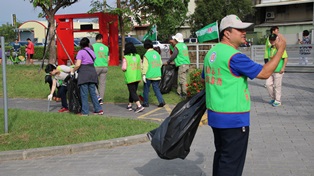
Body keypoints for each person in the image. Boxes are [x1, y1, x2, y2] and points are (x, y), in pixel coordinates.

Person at [202, 14, 286, 176]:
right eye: (239, 29)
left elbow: (206, 79)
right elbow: (264, 72)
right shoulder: (235, 57)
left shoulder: (211, 54)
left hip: (216, 116)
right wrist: (280, 50)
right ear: (227, 33)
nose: (244, 32)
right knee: (231, 164)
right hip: (234, 119)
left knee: (222, 156)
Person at [72, 37, 103, 116]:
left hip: (84, 73)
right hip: (92, 72)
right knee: (93, 93)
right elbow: (93, 60)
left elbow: (78, 64)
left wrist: (73, 70)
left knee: (84, 93)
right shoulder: (92, 52)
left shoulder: (80, 52)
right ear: (88, 43)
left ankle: (85, 112)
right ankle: (98, 109)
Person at [265, 34, 288, 107]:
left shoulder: (281, 48)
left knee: (277, 86)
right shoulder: (269, 48)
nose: (272, 41)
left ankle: (278, 101)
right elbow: (269, 59)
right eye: (270, 40)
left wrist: (283, 68)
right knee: (268, 84)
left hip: (278, 70)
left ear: (276, 40)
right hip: (271, 70)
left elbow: (285, 58)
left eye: (273, 40)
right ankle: (273, 98)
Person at [121, 42, 144, 113]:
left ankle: (139, 106)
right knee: (132, 91)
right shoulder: (138, 56)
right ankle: (130, 105)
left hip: (130, 77)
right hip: (137, 76)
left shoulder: (126, 57)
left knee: (132, 92)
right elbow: (141, 65)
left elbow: (124, 68)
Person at [142, 39, 165, 108]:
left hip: (149, 75)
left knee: (146, 89)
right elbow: (160, 63)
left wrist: (143, 74)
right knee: (156, 89)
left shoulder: (146, 55)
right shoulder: (157, 53)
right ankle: (161, 101)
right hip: (157, 74)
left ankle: (146, 102)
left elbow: (145, 66)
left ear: (145, 46)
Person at [166, 33, 190, 97]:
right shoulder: (184, 45)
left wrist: (168, 62)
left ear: (176, 39)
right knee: (182, 78)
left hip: (182, 64)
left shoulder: (178, 46)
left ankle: (185, 93)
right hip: (186, 64)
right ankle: (179, 92)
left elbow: (174, 55)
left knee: (182, 80)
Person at [92, 34, 109, 105]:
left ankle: (97, 96)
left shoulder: (93, 46)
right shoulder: (106, 47)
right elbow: (108, 59)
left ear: (96, 39)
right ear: (101, 39)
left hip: (96, 66)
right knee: (102, 84)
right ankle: (101, 99)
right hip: (104, 67)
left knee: (92, 82)